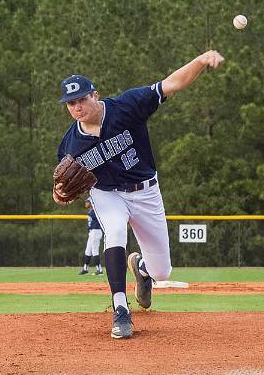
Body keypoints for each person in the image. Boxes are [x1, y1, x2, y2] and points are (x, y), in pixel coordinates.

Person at [55, 49, 225, 339]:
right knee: (116, 232)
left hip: (146, 191)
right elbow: (61, 187)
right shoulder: (71, 144)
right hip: (107, 194)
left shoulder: (127, 105)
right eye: (71, 103)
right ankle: (120, 308)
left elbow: (170, 84)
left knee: (162, 272)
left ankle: (143, 269)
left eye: (81, 98)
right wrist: (59, 194)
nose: (77, 107)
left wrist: (200, 60)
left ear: (95, 94)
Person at [78, 198, 103, 275]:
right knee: (88, 251)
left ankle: (99, 270)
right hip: (92, 232)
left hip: (96, 231)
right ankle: (85, 269)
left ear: (91, 203)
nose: (86, 203)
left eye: (87, 202)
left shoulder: (95, 211)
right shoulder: (91, 211)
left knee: (94, 251)